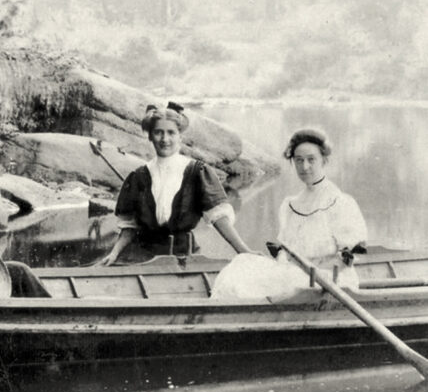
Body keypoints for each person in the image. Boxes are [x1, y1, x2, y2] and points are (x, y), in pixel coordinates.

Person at [212, 128, 367, 300]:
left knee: (252, 283)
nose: (304, 167)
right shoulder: (290, 205)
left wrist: (311, 267)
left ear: (324, 160)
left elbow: (348, 259)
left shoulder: (341, 202)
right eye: (298, 160)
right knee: (242, 264)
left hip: (331, 282)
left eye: (311, 160)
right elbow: (286, 250)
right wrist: (283, 261)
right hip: (296, 275)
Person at [102, 101, 255, 265]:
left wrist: (245, 251)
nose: (164, 139)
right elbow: (129, 227)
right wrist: (114, 253)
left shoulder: (197, 172)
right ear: (150, 136)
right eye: (158, 132)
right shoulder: (138, 176)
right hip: (145, 259)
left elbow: (218, 218)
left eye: (171, 133)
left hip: (186, 259)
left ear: (180, 136)